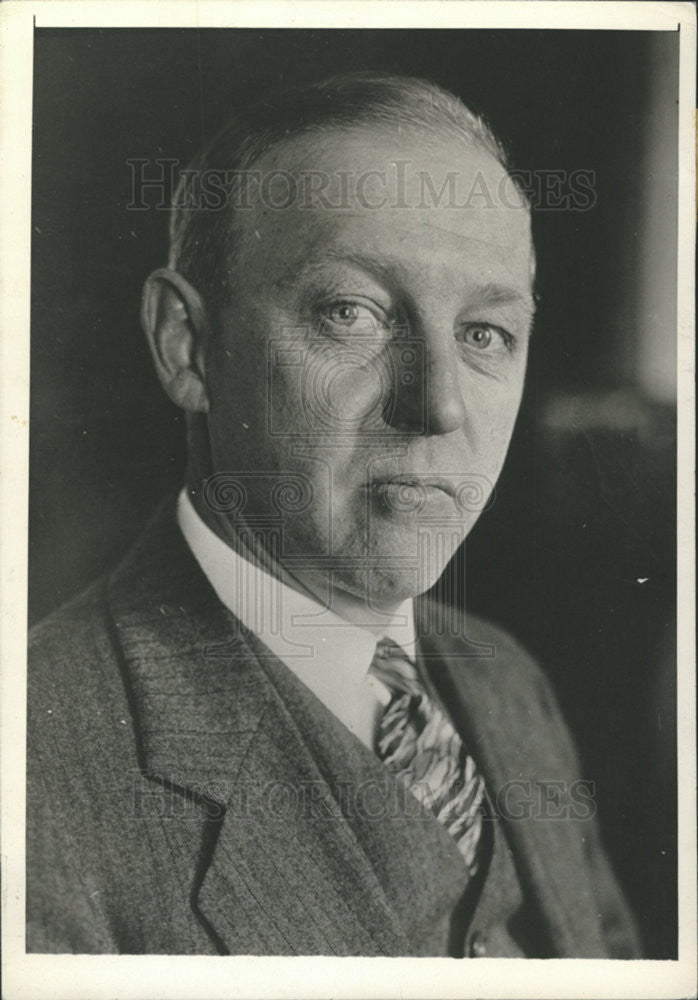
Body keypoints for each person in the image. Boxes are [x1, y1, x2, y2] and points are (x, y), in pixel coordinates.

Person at [26, 72, 641, 957]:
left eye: (484, 334)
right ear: (187, 346)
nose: (438, 407)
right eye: (352, 313)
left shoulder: (509, 685)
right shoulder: (36, 778)